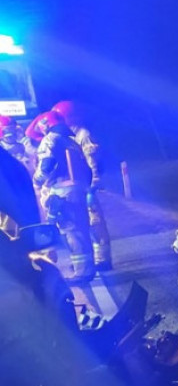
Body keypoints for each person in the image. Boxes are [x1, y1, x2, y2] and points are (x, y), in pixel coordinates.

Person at [31, 110, 94, 283]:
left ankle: (82, 273)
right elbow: (87, 169)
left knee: (71, 232)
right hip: (76, 190)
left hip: (62, 192)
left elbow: (47, 164)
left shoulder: (50, 139)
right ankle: (85, 269)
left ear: (45, 125)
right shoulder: (70, 141)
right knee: (81, 230)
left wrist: (36, 182)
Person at [51, 101, 112, 270]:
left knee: (95, 222)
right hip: (77, 188)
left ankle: (103, 260)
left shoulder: (83, 135)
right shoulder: (68, 136)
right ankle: (89, 261)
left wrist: (92, 186)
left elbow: (92, 162)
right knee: (80, 225)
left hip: (86, 187)